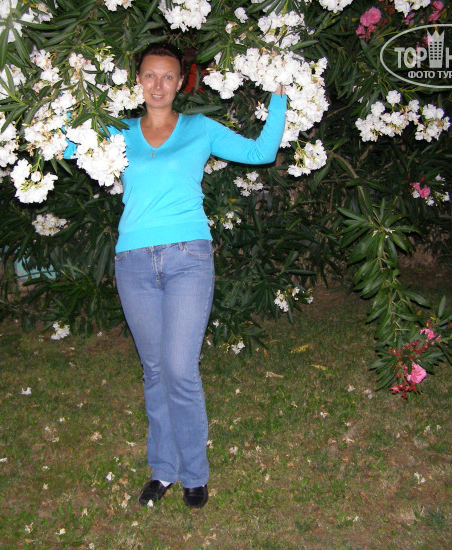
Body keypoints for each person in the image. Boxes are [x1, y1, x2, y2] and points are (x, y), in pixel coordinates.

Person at [65, 42, 287, 509]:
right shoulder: (117, 132)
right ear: (137, 80)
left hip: (188, 257)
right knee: (154, 371)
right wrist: (64, 95)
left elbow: (261, 151)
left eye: (168, 76)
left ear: (182, 82)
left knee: (180, 369)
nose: (158, 85)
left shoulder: (198, 129)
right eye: (150, 75)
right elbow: (65, 144)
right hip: (133, 263)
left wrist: (281, 96)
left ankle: (194, 473)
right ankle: (162, 469)